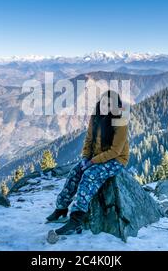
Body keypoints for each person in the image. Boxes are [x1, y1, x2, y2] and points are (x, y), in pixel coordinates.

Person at [46, 90, 129, 235]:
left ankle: (76, 219)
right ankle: (61, 208)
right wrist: (85, 158)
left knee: (89, 175)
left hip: (116, 160)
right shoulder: (95, 116)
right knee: (75, 172)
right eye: (103, 102)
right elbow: (89, 140)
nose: (105, 106)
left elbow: (115, 151)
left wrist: (92, 162)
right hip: (95, 157)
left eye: (110, 104)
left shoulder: (121, 120)